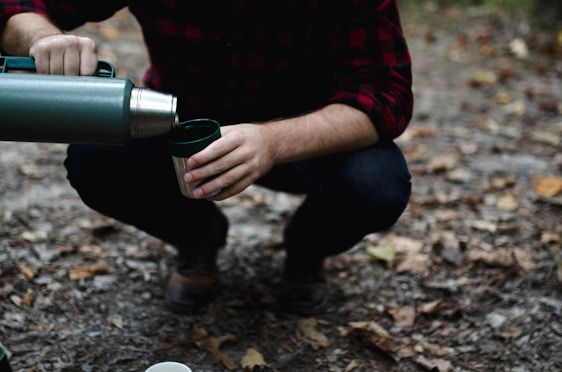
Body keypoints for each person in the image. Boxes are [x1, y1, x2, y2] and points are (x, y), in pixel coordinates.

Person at [0, 0, 413, 316]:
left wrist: (272, 142)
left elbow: (385, 92)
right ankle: (197, 241)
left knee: (376, 184)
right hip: (180, 123)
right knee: (95, 158)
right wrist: (40, 37)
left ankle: (307, 249)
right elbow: (19, 4)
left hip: (306, 134)